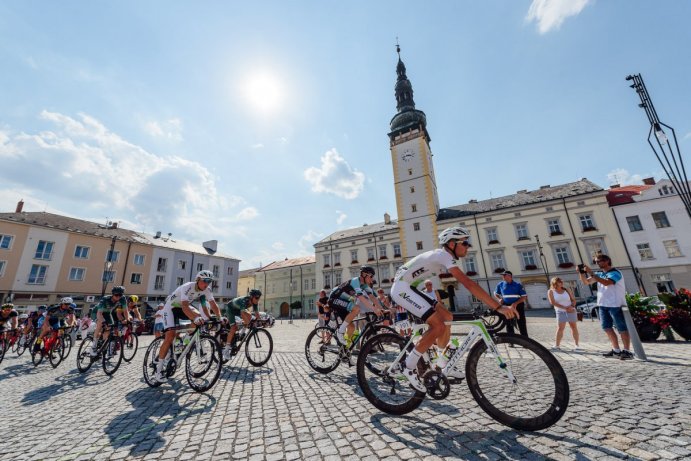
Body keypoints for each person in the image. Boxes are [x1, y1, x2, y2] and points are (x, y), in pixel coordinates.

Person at [392, 226, 518, 392]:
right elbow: (468, 283)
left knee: (447, 317)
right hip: (401, 288)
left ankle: (441, 360)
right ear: (452, 244)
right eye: (464, 243)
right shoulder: (443, 255)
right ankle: (408, 366)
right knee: (438, 325)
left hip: (410, 287)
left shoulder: (444, 256)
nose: (468, 246)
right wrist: (498, 306)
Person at [155, 270, 223, 382]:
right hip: (171, 308)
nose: (206, 284)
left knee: (200, 318)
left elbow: (212, 304)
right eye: (204, 281)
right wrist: (195, 318)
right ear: (198, 280)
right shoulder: (187, 287)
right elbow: (185, 307)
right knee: (170, 336)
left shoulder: (207, 290)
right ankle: (158, 371)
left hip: (182, 308)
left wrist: (219, 317)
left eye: (209, 281)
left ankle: (184, 340)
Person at [578, 254, 633, 360]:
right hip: (602, 304)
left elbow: (607, 283)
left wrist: (591, 272)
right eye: (596, 261)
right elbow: (586, 282)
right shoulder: (599, 274)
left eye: (600, 261)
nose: (598, 263)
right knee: (607, 328)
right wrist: (581, 273)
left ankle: (627, 351)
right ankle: (616, 350)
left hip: (615, 304)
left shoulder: (615, 273)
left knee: (621, 328)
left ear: (607, 261)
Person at [328, 266, 381, 346]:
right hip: (334, 298)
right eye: (371, 276)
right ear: (363, 274)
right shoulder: (355, 281)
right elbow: (361, 298)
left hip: (343, 302)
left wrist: (382, 309)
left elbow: (372, 297)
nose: (372, 279)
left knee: (351, 327)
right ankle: (340, 332)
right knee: (356, 308)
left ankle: (344, 349)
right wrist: (374, 309)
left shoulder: (364, 285)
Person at [223, 289, 262, 360]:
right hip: (230, 309)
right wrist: (250, 323)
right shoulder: (244, 300)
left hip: (238, 309)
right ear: (251, 297)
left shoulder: (254, 302)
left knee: (250, 316)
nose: (257, 300)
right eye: (256, 298)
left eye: (259, 298)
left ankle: (241, 333)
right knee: (234, 328)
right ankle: (226, 349)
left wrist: (260, 321)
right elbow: (242, 313)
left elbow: (256, 313)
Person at [90, 286, 127, 357]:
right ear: (112, 294)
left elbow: (125, 311)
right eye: (116, 295)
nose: (118, 297)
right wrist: (104, 322)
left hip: (107, 313)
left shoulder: (123, 299)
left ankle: (103, 346)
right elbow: (99, 314)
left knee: (110, 328)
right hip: (97, 312)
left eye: (120, 295)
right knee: (100, 325)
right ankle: (93, 346)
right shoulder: (105, 299)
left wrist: (126, 319)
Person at [547, 277, 581, 351]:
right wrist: (565, 308)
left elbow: (573, 300)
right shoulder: (551, 291)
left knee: (574, 327)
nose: (562, 283)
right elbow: (553, 302)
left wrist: (571, 306)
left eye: (562, 281)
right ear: (555, 283)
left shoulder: (567, 290)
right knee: (560, 328)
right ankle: (557, 345)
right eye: (559, 282)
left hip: (571, 310)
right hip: (560, 311)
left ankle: (577, 345)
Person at [494, 270, 529, 337]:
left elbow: (524, 297)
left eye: (504, 275)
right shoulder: (500, 284)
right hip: (506, 306)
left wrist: (515, 303)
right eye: (502, 276)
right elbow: (496, 293)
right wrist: (499, 299)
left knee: (521, 322)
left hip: (518, 306)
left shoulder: (517, 285)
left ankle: (525, 339)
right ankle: (511, 340)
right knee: (508, 322)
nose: (503, 277)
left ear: (510, 276)